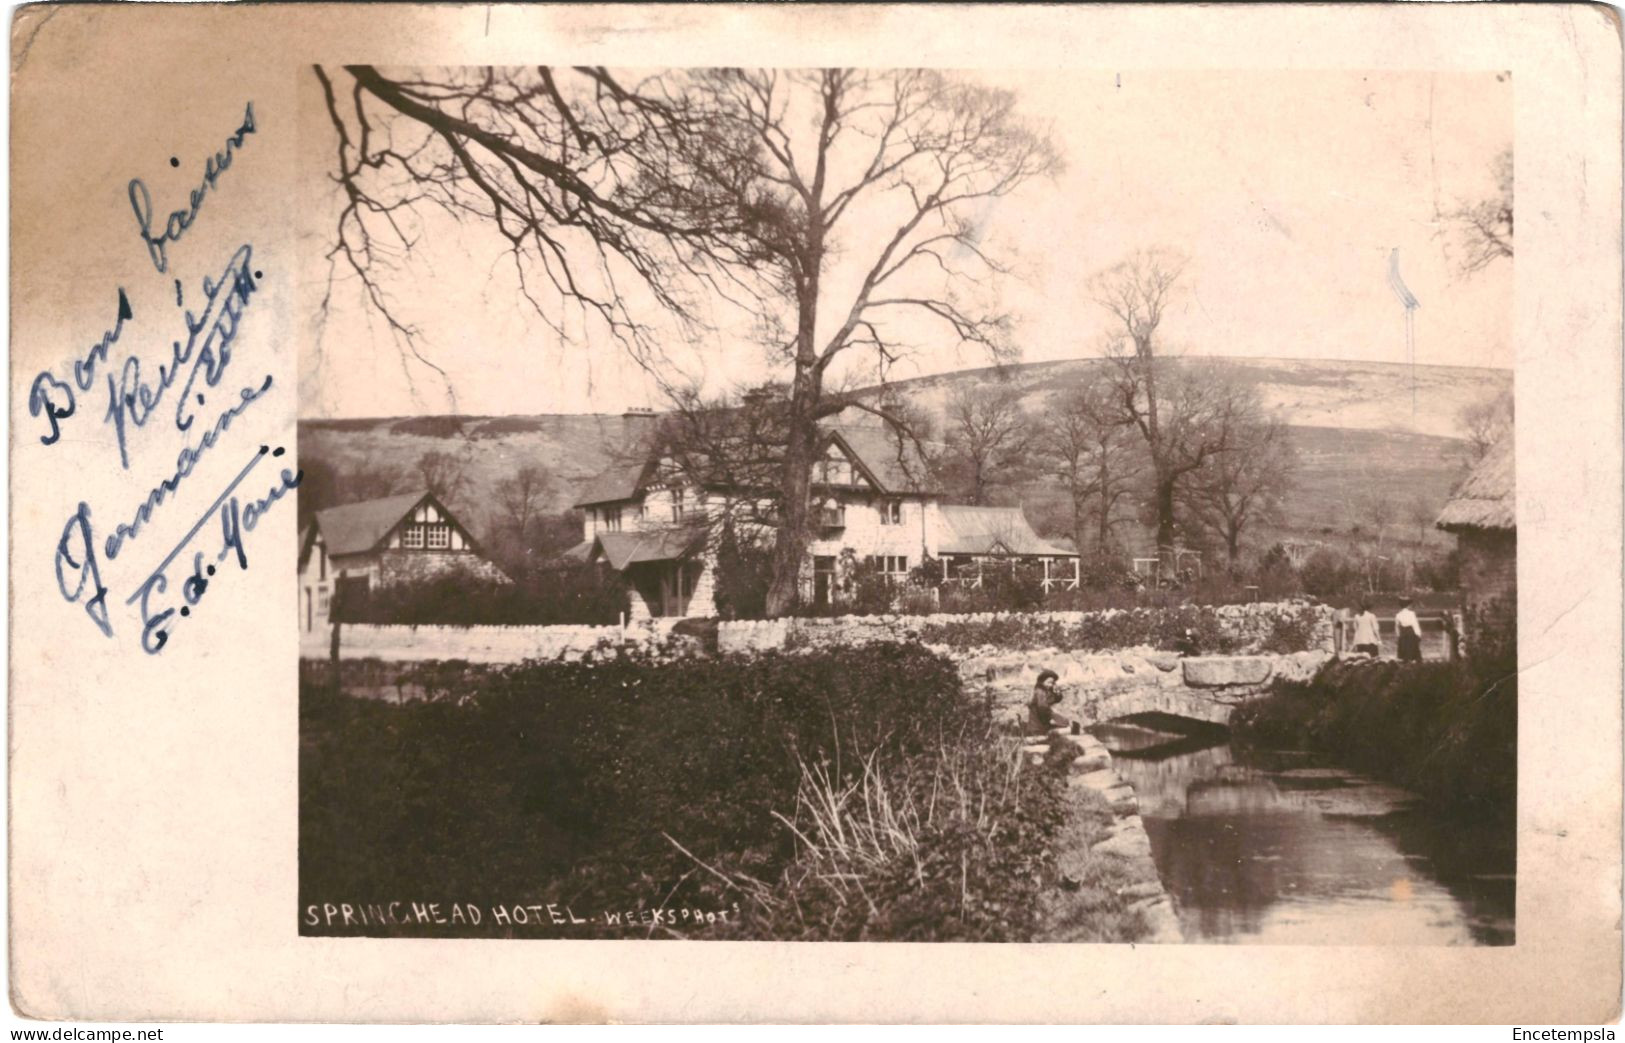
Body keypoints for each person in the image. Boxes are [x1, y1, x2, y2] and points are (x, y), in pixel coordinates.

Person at [1028, 669, 1070, 734]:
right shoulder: (1040, 692)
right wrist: (1051, 720)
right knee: (1066, 728)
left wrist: (1058, 693)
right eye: (1049, 682)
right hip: (1038, 726)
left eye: (1052, 683)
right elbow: (1042, 708)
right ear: (1042, 682)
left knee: (1066, 723)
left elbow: (1054, 700)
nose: (1050, 685)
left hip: (1042, 723)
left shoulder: (1045, 691)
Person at [1395, 596, 1423, 662]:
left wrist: (1398, 636)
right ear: (1408, 605)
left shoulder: (1398, 615)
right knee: (1414, 651)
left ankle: (1406, 663)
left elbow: (1397, 627)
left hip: (1403, 634)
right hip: (1411, 634)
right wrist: (1419, 634)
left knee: (1405, 652)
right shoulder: (1411, 613)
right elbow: (1415, 625)